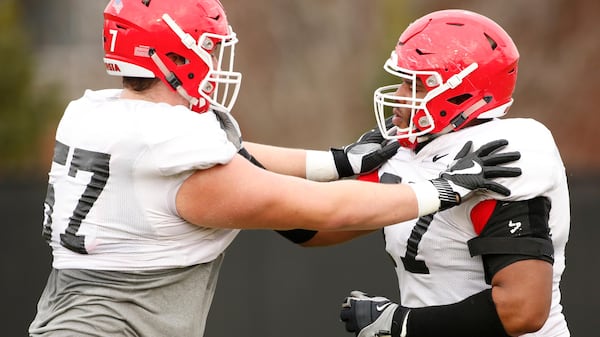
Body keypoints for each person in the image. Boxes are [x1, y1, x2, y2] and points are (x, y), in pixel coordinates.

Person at [28, 2, 522, 337]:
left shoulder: (95, 112)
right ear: (177, 51)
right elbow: (326, 210)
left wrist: (338, 160)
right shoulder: (177, 149)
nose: (216, 57)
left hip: (68, 314)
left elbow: (235, 154)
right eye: (210, 46)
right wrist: (442, 189)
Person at [284, 9, 569, 337]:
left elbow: (523, 309)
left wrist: (399, 323)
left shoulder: (505, 152)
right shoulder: (406, 150)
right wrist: (248, 182)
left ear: (458, 92)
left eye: (413, 84)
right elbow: (314, 225)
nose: (400, 97)